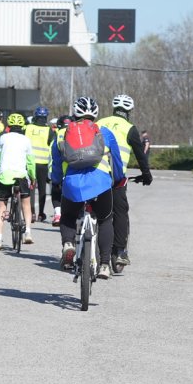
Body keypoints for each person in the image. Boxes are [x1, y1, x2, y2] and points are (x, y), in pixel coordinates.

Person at [51, 97, 125, 279]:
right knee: (105, 219)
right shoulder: (105, 132)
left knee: (68, 216)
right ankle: (105, 264)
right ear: (96, 114)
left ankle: (68, 244)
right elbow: (116, 161)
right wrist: (118, 180)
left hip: (73, 184)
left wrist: (57, 181)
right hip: (100, 183)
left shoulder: (61, 134)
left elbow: (56, 165)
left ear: (75, 113)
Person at [97, 94, 153, 267]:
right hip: (116, 177)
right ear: (129, 111)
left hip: (95, 173)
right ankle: (120, 251)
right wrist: (146, 174)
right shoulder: (129, 128)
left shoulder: (99, 123)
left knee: (95, 210)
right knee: (120, 212)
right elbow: (140, 155)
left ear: (113, 109)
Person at [0, 113, 34, 249]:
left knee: (1, 206)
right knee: (25, 203)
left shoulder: (3, 137)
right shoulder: (26, 140)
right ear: (22, 126)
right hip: (21, 175)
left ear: (9, 126)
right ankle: (27, 232)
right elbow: (30, 161)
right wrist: (33, 177)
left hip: (5, 175)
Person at [24, 106, 54, 223]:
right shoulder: (49, 130)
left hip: (29, 163)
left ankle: (31, 213)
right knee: (42, 190)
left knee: (30, 189)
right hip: (43, 164)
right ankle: (41, 213)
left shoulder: (28, 128)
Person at [49, 114, 73, 226]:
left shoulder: (58, 135)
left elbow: (55, 156)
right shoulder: (77, 132)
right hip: (76, 170)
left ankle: (58, 214)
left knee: (56, 189)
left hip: (62, 169)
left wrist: (55, 177)